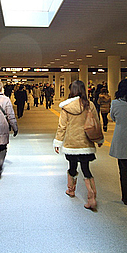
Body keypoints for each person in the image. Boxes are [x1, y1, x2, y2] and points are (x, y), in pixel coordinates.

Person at [53, 80, 103, 211]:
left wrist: (58, 141)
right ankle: (91, 197)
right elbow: (96, 123)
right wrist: (99, 139)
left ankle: (71, 190)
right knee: (86, 169)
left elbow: (62, 126)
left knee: (72, 167)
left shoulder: (66, 106)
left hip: (72, 143)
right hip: (86, 143)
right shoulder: (89, 105)